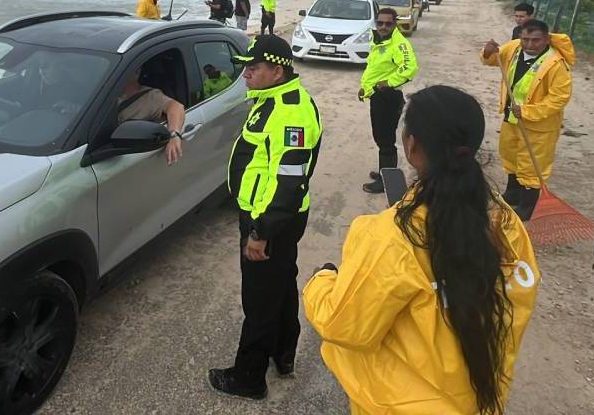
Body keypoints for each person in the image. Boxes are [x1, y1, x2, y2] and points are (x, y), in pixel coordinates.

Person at [304, 85, 539, 415]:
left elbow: (345, 326)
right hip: (481, 401)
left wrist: (322, 281)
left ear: (410, 145)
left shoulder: (393, 236)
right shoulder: (508, 225)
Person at [208, 35, 322, 400]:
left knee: (259, 299)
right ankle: (283, 353)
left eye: (253, 68)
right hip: (269, 217)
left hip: (271, 220)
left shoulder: (291, 112)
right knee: (281, 283)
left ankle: (248, 378)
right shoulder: (270, 100)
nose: (245, 74)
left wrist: (259, 232)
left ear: (277, 70)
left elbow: (288, 185)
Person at [481, 19, 575, 220]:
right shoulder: (514, 48)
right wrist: (488, 51)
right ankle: (513, 193)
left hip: (539, 125)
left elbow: (559, 98)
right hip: (512, 118)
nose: (530, 45)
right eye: (526, 39)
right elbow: (491, 60)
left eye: (536, 40)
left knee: (531, 165)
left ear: (547, 40)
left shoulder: (556, 63)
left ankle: (527, 206)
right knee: (511, 156)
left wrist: (528, 111)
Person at [358, 7, 418, 194]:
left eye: (388, 24)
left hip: (388, 97)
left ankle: (385, 182)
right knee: (380, 138)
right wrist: (365, 88)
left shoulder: (398, 43)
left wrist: (389, 83)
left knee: (385, 140)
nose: (383, 27)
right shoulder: (379, 40)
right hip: (377, 96)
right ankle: (384, 172)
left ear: (395, 24)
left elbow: (410, 68)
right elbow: (375, 70)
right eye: (380, 23)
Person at [116, 66, 186, 165]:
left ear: (136, 73)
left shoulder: (151, 96)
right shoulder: (110, 94)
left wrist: (174, 135)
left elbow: (176, 107)